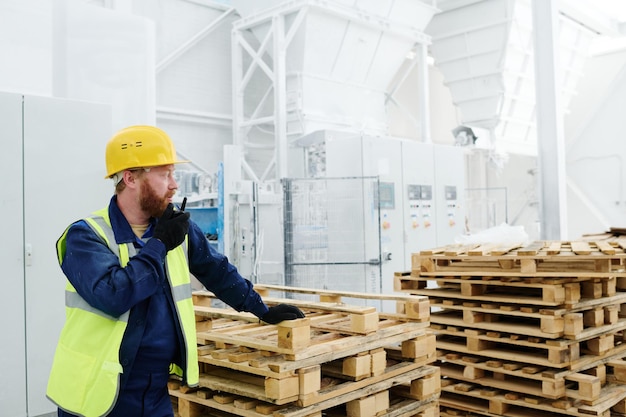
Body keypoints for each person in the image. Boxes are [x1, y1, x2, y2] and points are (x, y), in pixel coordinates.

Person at [47, 125, 305, 417]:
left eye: (173, 174)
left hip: (155, 392)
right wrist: (158, 245)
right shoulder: (87, 236)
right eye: (164, 174)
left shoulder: (174, 229)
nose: (174, 185)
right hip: (97, 393)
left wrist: (261, 309)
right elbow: (114, 295)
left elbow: (216, 270)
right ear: (131, 178)